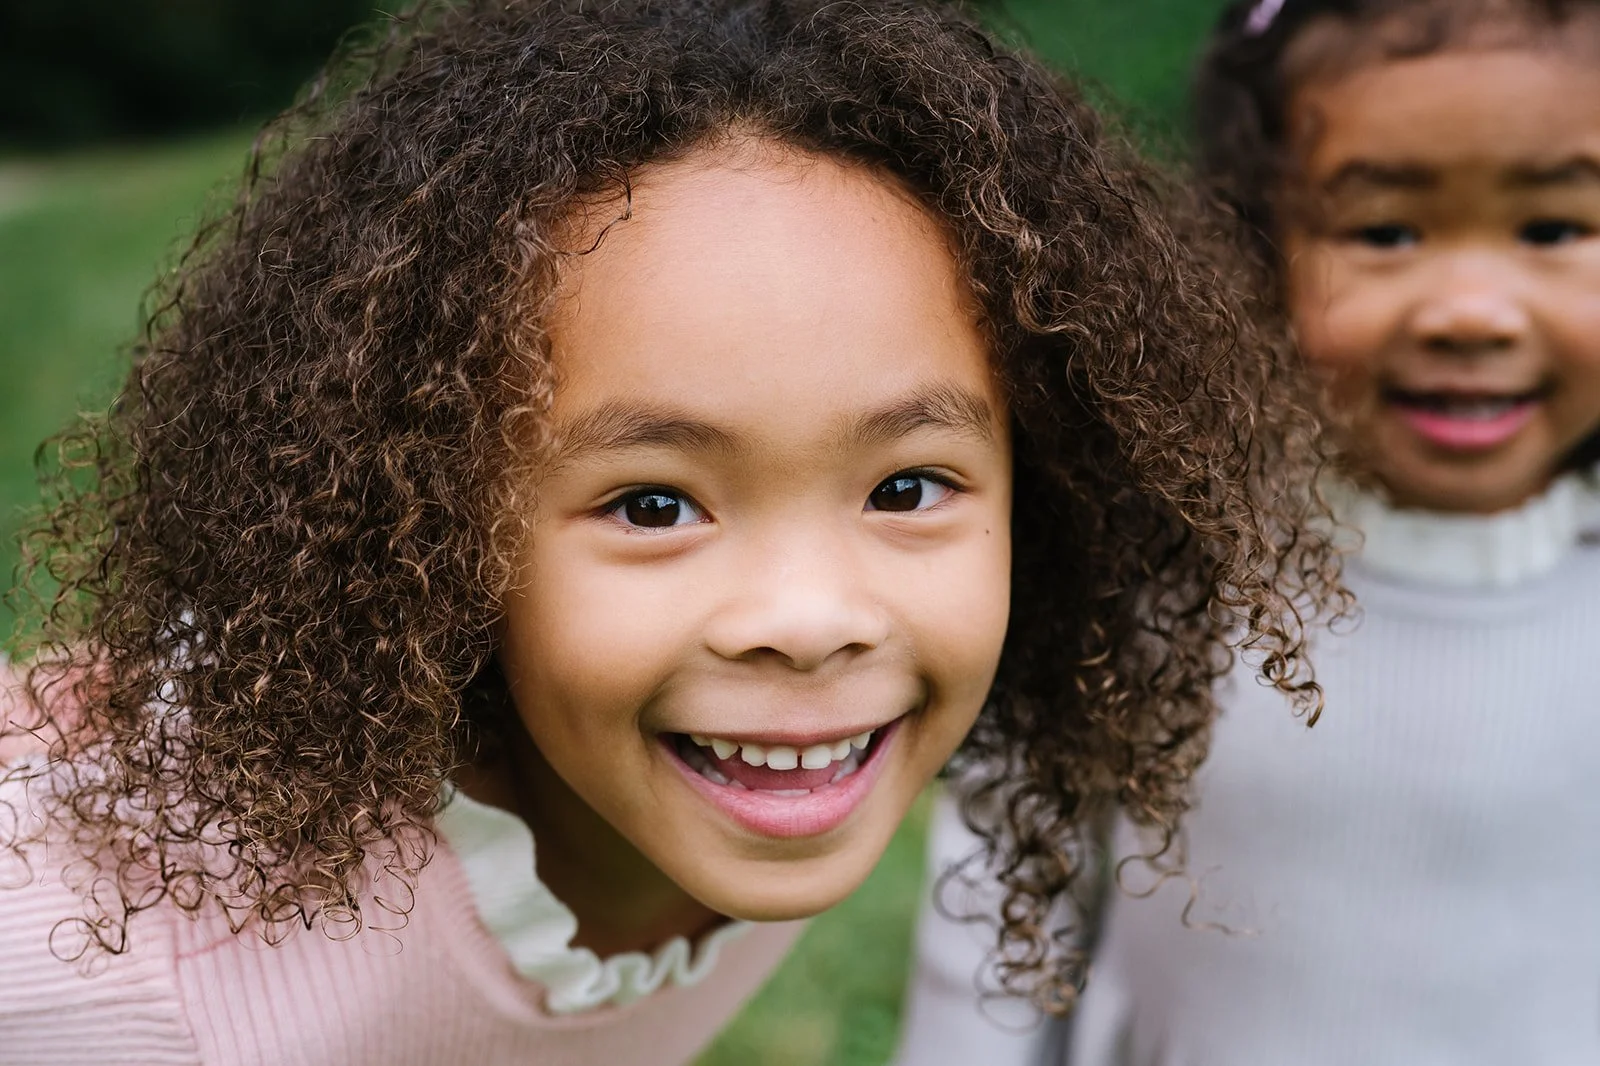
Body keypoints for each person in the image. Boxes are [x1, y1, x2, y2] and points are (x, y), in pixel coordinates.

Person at [0, 0, 1335, 1063]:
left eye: (909, 485)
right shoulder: (121, 1002)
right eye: (654, 504)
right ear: (431, 533)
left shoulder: (742, 787)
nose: (811, 617)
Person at [893, 0, 1600, 1063]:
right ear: (1254, 242)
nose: (1470, 308)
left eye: (1552, 228)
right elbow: (1000, 914)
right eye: (1384, 231)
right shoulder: (1156, 570)